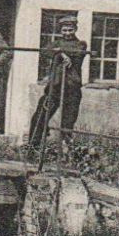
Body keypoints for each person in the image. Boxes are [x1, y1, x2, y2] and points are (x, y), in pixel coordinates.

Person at [28, 16, 90, 150]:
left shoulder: (81, 44)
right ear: (60, 31)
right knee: (40, 116)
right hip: (54, 88)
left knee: (68, 122)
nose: (67, 33)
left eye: (70, 30)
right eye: (64, 30)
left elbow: (77, 54)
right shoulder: (55, 43)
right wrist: (62, 54)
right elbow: (45, 51)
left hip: (72, 88)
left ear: (75, 29)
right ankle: (33, 147)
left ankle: (65, 152)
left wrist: (59, 52)